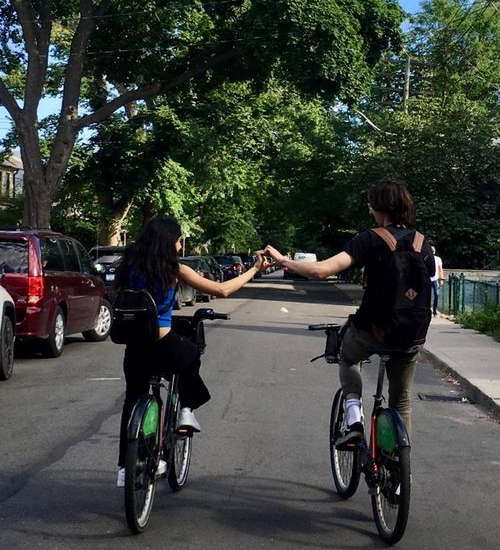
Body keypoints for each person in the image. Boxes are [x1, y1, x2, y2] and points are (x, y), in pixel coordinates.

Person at [264, 179, 435, 445]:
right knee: (401, 401)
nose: (370, 210)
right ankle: (397, 474)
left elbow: (321, 270)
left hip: (372, 330)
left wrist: (283, 260)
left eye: (371, 205)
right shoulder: (423, 243)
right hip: (412, 334)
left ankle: (354, 418)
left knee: (348, 358)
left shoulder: (370, 238)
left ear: (381, 207)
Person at [114, 216, 269, 487]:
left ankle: (124, 468)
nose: (178, 245)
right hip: (163, 344)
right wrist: (254, 269)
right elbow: (222, 289)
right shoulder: (173, 268)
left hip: (134, 347)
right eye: (177, 240)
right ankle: (186, 409)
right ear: (168, 242)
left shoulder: (128, 265)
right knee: (191, 353)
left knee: (132, 400)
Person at [430, 244, 445, 316]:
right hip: (428, 279)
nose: (432, 251)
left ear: (435, 251)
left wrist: (441, 279)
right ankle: (427, 309)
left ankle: (434, 309)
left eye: (433, 250)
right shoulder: (426, 258)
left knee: (437, 295)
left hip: (435, 279)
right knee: (426, 296)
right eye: (431, 250)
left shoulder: (438, 259)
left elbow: (440, 269)